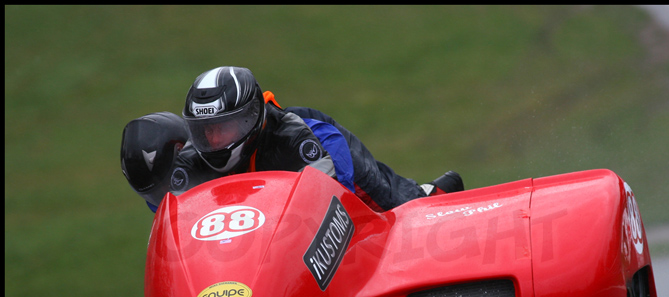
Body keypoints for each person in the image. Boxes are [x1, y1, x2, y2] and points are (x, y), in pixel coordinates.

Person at [122, 66, 463, 212]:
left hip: (333, 177)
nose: (211, 139)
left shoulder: (298, 136)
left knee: (381, 199)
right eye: (202, 130)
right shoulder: (196, 158)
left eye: (221, 128)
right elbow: (164, 206)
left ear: (249, 118)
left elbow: (338, 200)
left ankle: (428, 195)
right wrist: (147, 169)